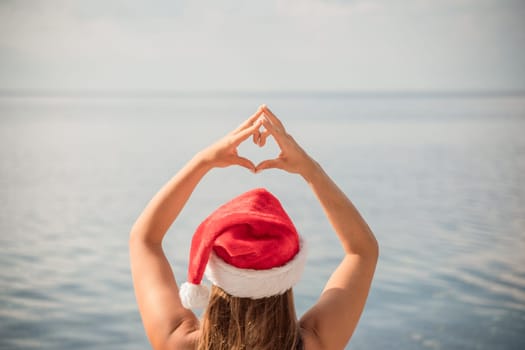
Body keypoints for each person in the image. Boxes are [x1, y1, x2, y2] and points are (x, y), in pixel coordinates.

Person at [129, 105, 379, 350]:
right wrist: (309, 169)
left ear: (217, 273)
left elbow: (145, 239)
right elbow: (362, 251)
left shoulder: (178, 342)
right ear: (283, 277)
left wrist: (203, 161)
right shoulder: (315, 343)